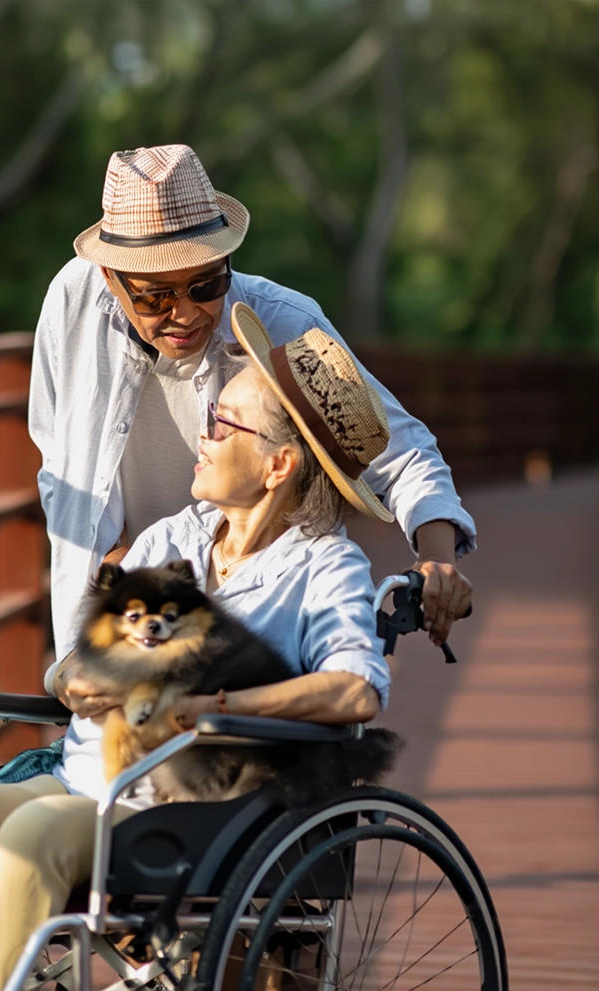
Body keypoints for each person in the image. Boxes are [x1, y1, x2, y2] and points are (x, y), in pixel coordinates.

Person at [0, 311, 395, 991]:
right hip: (82, 780)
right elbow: (82, 658)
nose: (203, 436)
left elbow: (357, 689)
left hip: (188, 807)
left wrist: (210, 706)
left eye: (223, 424)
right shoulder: (169, 540)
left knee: (34, 834)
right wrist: (76, 679)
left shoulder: (325, 568)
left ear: (279, 464)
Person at [30, 143, 475, 718]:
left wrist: (438, 561)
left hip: (261, 586)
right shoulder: (72, 304)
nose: (185, 314)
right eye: (156, 297)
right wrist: (117, 565)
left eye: (205, 286)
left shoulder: (284, 325)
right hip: (135, 591)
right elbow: (57, 449)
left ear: (227, 263)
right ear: (110, 278)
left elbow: (399, 449)